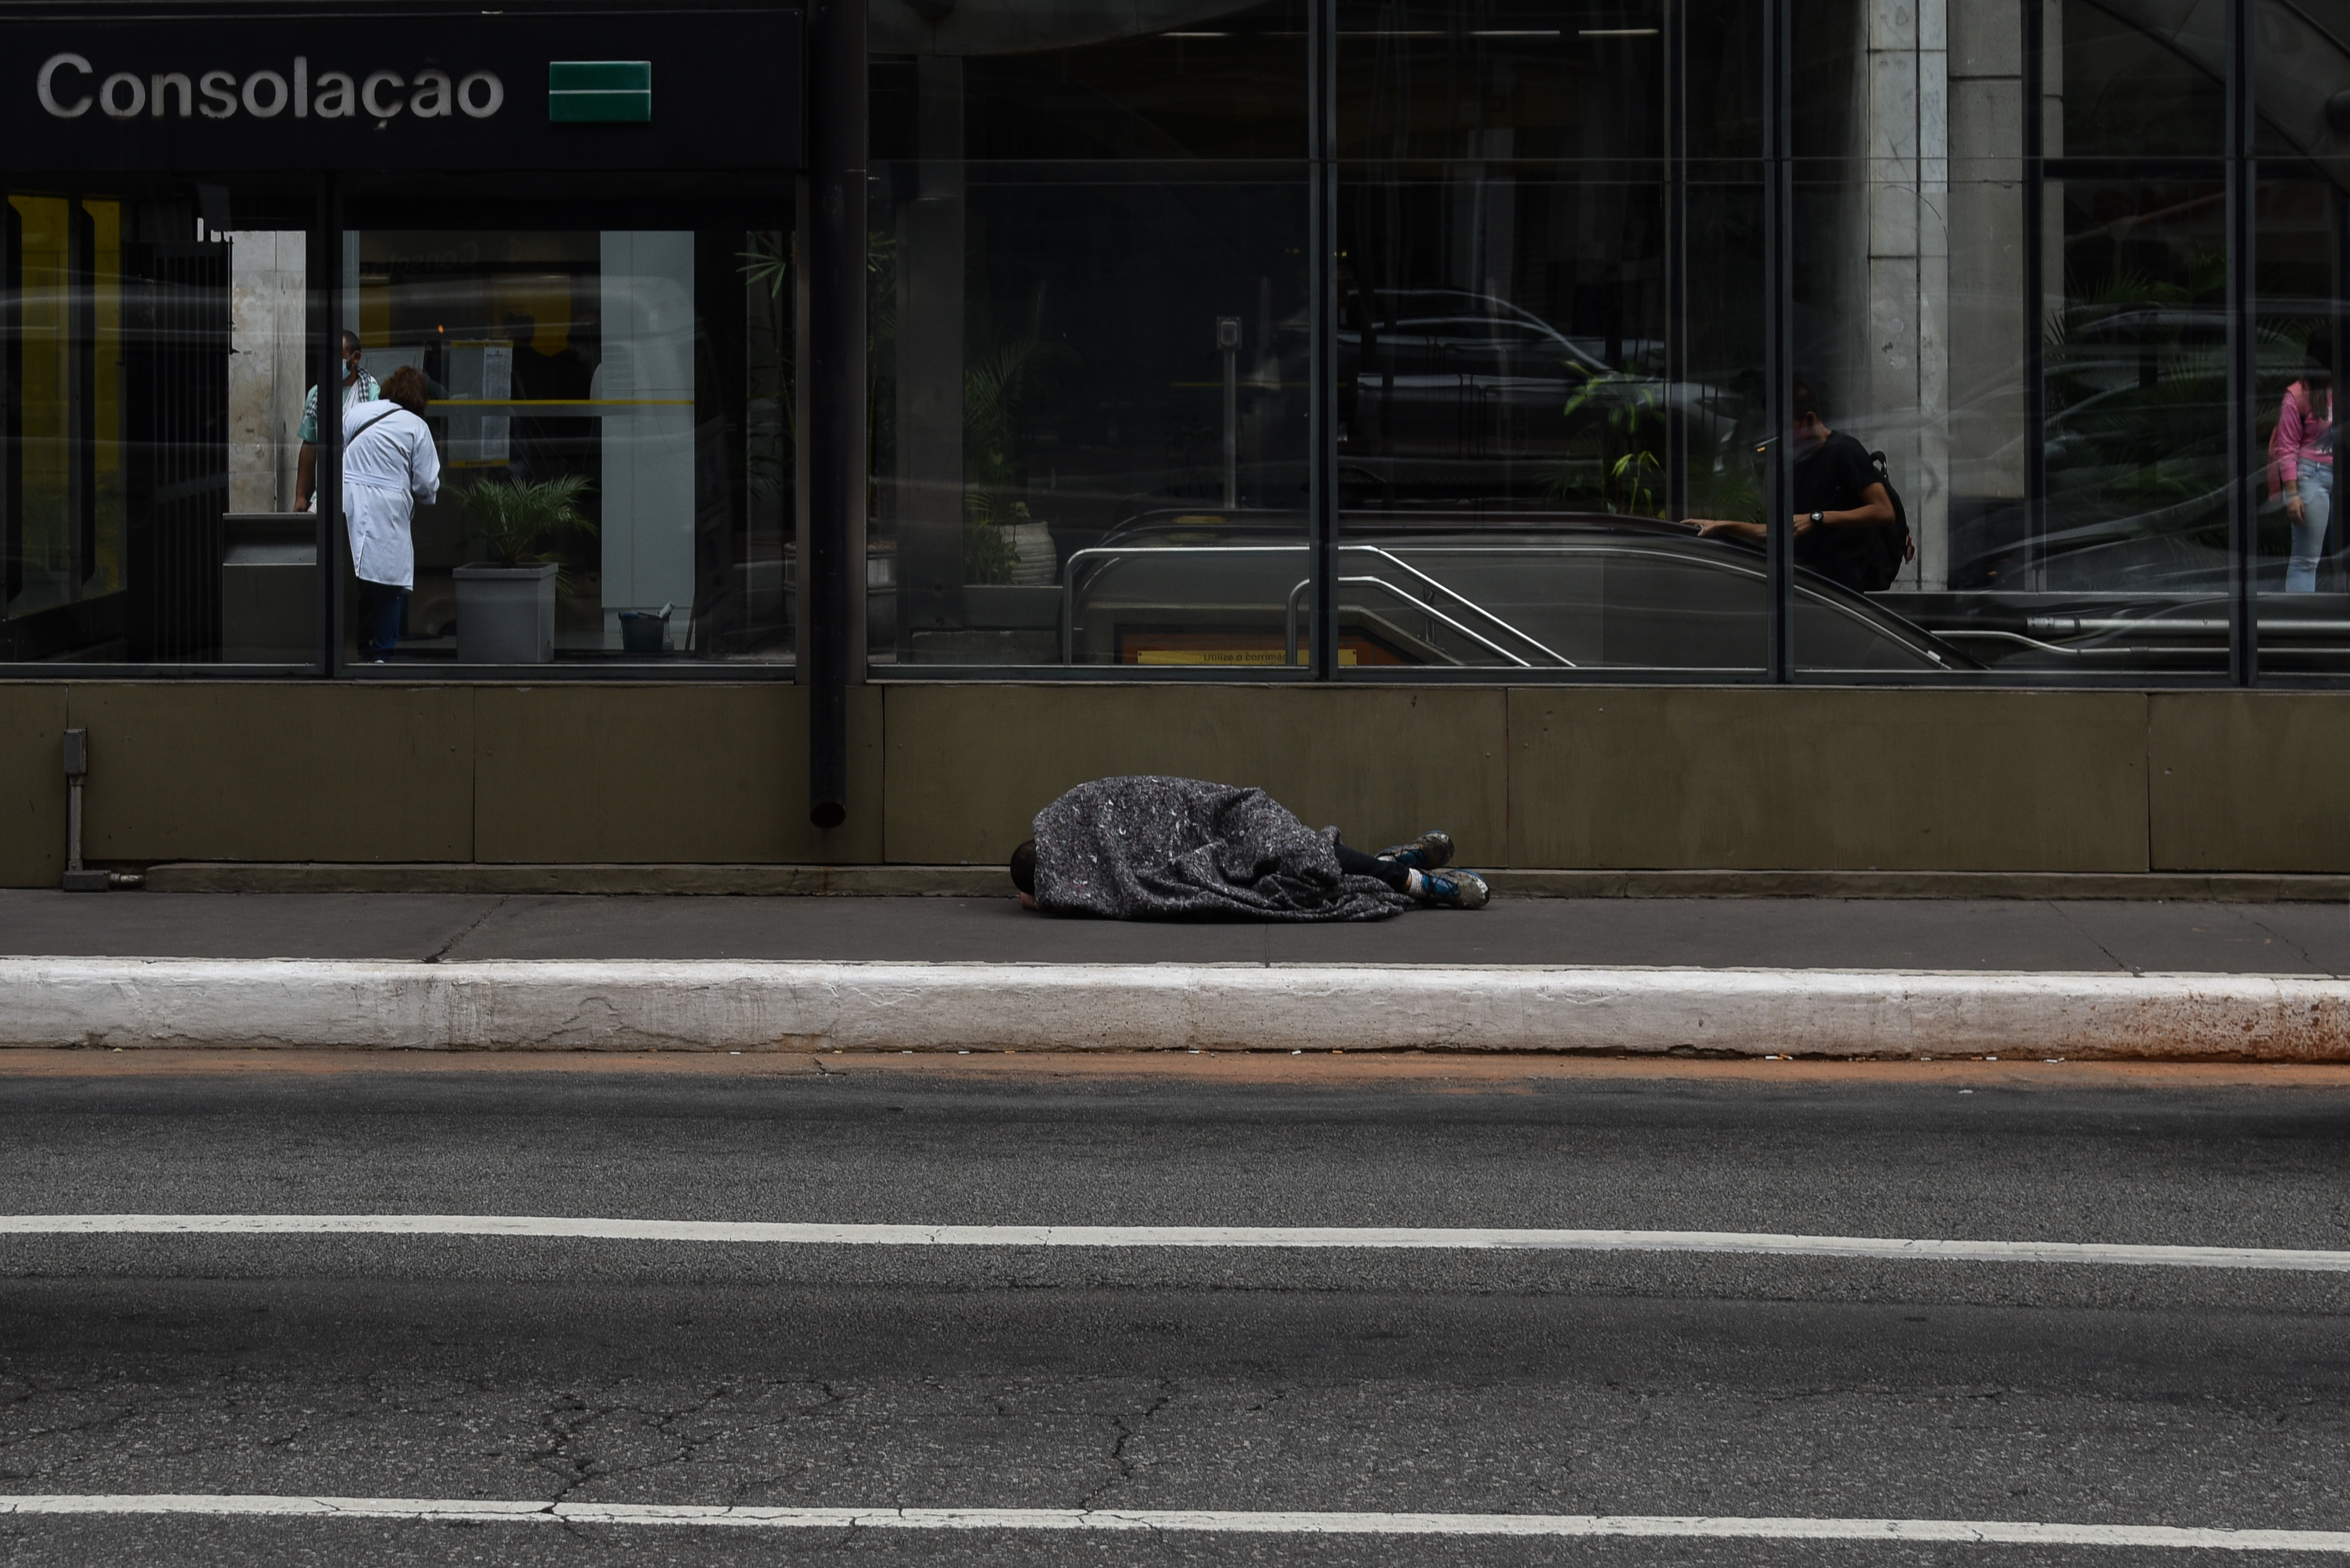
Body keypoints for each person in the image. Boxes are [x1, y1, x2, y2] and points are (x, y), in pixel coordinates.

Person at [1007, 775, 1488, 920]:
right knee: (1304, 860)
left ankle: (1405, 875)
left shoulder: (1070, 821)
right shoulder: (1071, 851)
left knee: (1298, 849)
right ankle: (1408, 875)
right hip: (1210, 852)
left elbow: (1145, 795)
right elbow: (1126, 888)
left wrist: (1040, 899)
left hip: (1219, 814)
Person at [1690, 380, 1901, 594]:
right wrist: (1722, 526)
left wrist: (1817, 518)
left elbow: (1884, 511)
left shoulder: (1844, 451)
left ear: (1809, 419)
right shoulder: (1795, 463)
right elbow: (1780, 531)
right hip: (1803, 587)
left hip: (1839, 593)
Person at [342, 366, 440, 662]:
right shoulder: (416, 427)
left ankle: (346, 646)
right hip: (389, 507)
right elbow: (426, 483)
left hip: (347, 500)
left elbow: (338, 453)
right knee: (389, 582)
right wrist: (425, 496)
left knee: (348, 578)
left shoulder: (357, 413)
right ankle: (383, 652)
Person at [294, 331, 381, 512]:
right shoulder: (317, 394)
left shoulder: (372, 394)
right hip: (324, 495)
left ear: (355, 358)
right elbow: (310, 445)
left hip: (363, 494)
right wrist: (301, 496)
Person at [2273, 352, 2334, 593]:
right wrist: (2292, 494)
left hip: (2339, 475)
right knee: (2306, 560)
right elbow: (2286, 447)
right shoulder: (2298, 395)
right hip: (2312, 476)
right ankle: (2299, 624)